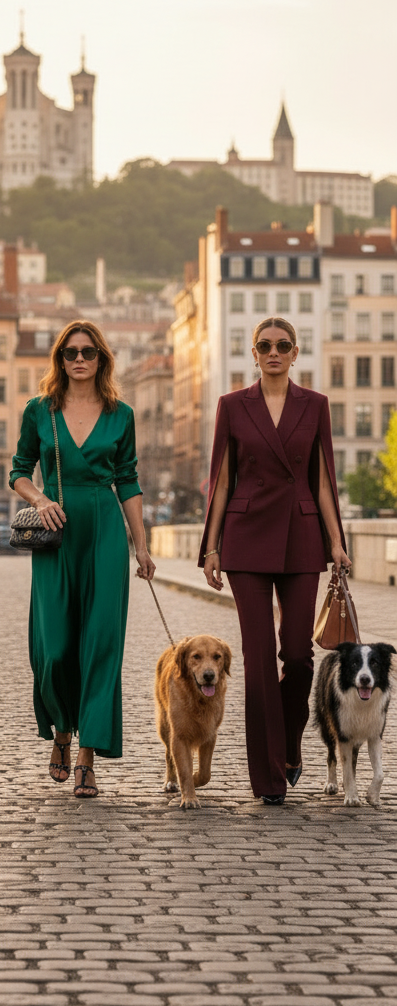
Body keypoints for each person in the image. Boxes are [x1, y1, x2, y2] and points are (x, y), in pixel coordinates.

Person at [200, 317, 350, 805]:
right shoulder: (232, 405)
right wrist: (212, 546)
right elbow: (222, 479)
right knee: (259, 658)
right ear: (254, 352)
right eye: (265, 345)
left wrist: (337, 542)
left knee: (300, 657)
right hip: (245, 537)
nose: (274, 352)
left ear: (295, 353)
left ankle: (287, 742)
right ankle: (268, 777)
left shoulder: (316, 405)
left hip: (302, 536)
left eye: (283, 346)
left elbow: (323, 479)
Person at [10, 321, 155, 799]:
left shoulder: (121, 414)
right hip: (55, 533)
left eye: (88, 352)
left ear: (101, 359)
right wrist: (40, 499)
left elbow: (128, 480)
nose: (78, 359)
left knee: (100, 644)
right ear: (60, 359)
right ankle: (61, 730)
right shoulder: (39, 410)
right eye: (70, 352)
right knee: (54, 648)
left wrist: (141, 545)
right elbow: (18, 471)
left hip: (105, 533)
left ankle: (87, 755)